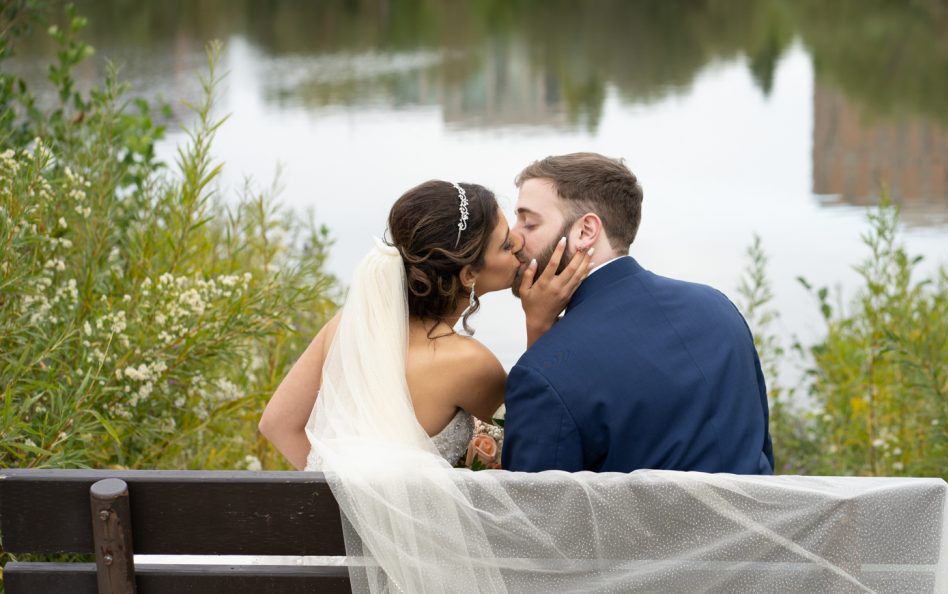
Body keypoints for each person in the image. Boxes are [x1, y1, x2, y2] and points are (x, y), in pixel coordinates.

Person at [259, 180, 589, 468]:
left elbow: (277, 424)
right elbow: (537, 435)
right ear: (469, 274)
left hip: (332, 537)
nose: (518, 244)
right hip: (429, 540)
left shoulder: (349, 325)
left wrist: (347, 504)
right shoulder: (468, 362)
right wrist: (539, 324)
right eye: (505, 244)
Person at [502, 152, 774, 475]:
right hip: (757, 523)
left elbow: (533, 516)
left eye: (529, 222)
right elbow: (759, 449)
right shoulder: (718, 308)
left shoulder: (542, 373)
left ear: (586, 231)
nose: (514, 237)